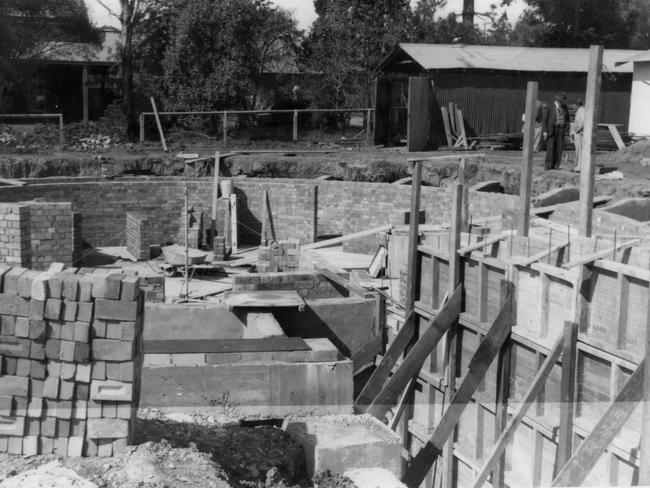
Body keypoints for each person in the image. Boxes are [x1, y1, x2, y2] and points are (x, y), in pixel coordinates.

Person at [544, 93, 570, 170]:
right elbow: (545, 119)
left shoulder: (564, 107)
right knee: (551, 147)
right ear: (557, 100)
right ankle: (548, 165)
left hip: (561, 129)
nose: (563, 102)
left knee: (559, 148)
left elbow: (567, 118)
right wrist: (545, 131)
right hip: (552, 128)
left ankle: (556, 165)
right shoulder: (549, 106)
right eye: (561, 101)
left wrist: (566, 125)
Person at [572, 99, 585, 172]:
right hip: (578, 132)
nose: (573, 108)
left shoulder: (582, 111)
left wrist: (577, 130)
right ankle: (578, 165)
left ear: (577, 105)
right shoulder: (579, 110)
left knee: (579, 150)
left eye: (574, 106)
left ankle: (579, 166)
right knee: (578, 150)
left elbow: (582, 122)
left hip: (579, 133)